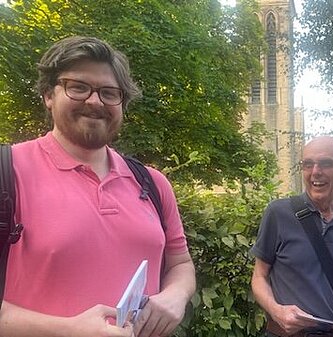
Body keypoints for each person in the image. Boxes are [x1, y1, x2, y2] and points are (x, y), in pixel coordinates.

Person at [0, 36, 196, 337]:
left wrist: (176, 296)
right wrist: (67, 330)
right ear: (48, 95)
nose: (95, 101)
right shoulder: (7, 172)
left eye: (109, 92)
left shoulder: (153, 183)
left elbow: (180, 263)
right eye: (78, 87)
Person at [251, 136, 333, 337]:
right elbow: (259, 276)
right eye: (307, 164)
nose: (315, 172)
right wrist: (277, 311)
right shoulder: (278, 213)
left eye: (326, 163)